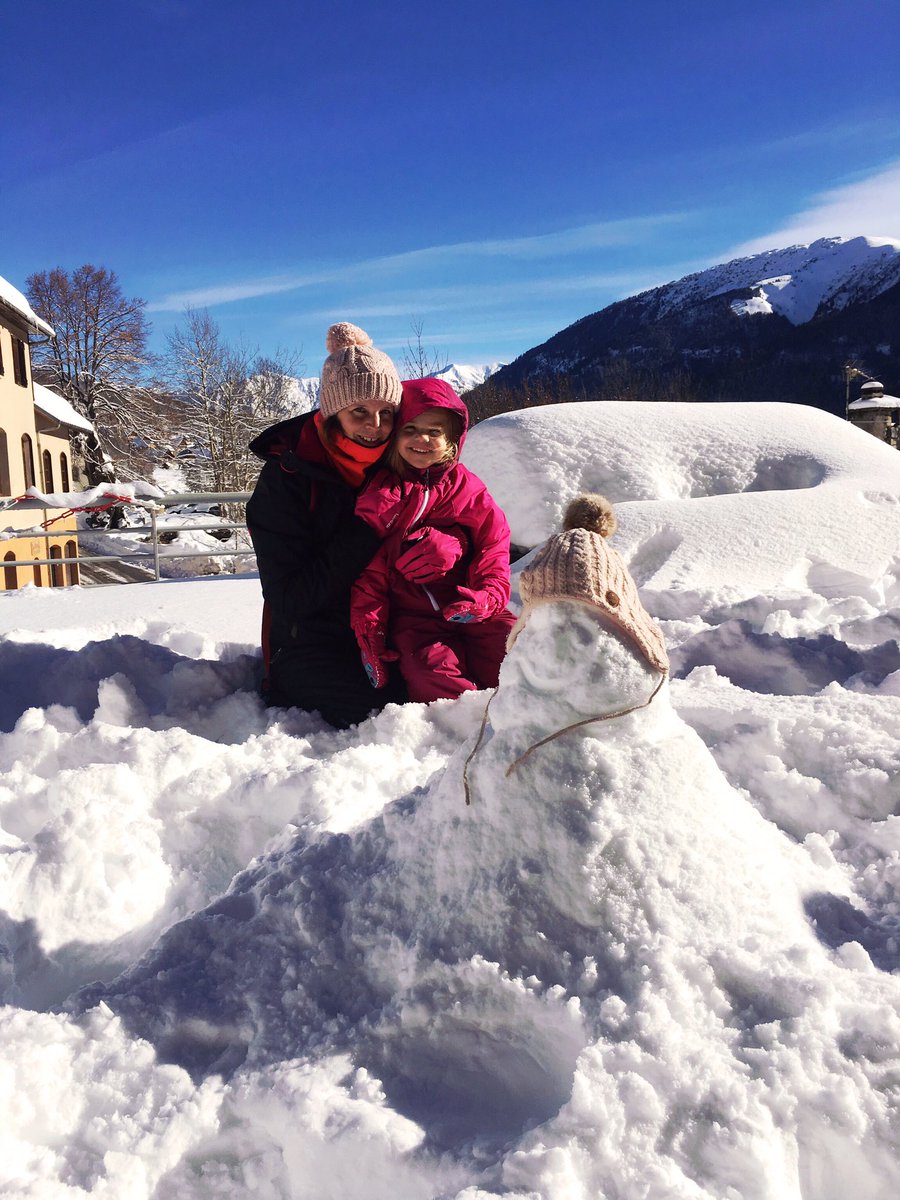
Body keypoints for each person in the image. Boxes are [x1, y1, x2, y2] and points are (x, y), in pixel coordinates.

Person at [246, 322, 408, 728]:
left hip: (390, 628)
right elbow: (290, 597)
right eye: (359, 412)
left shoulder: (398, 464)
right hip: (311, 644)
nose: (376, 426)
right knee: (390, 717)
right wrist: (367, 531)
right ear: (333, 412)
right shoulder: (287, 479)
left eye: (386, 413)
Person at [351, 377, 516, 702]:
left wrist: (487, 596)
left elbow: (493, 542)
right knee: (433, 676)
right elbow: (369, 571)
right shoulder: (382, 496)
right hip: (414, 619)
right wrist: (372, 635)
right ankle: (469, 731)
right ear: (395, 435)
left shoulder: (467, 487)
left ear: (452, 439)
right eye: (410, 429)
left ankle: (527, 718)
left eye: (434, 431)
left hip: (472, 605)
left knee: (517, 651)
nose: (421, 439)